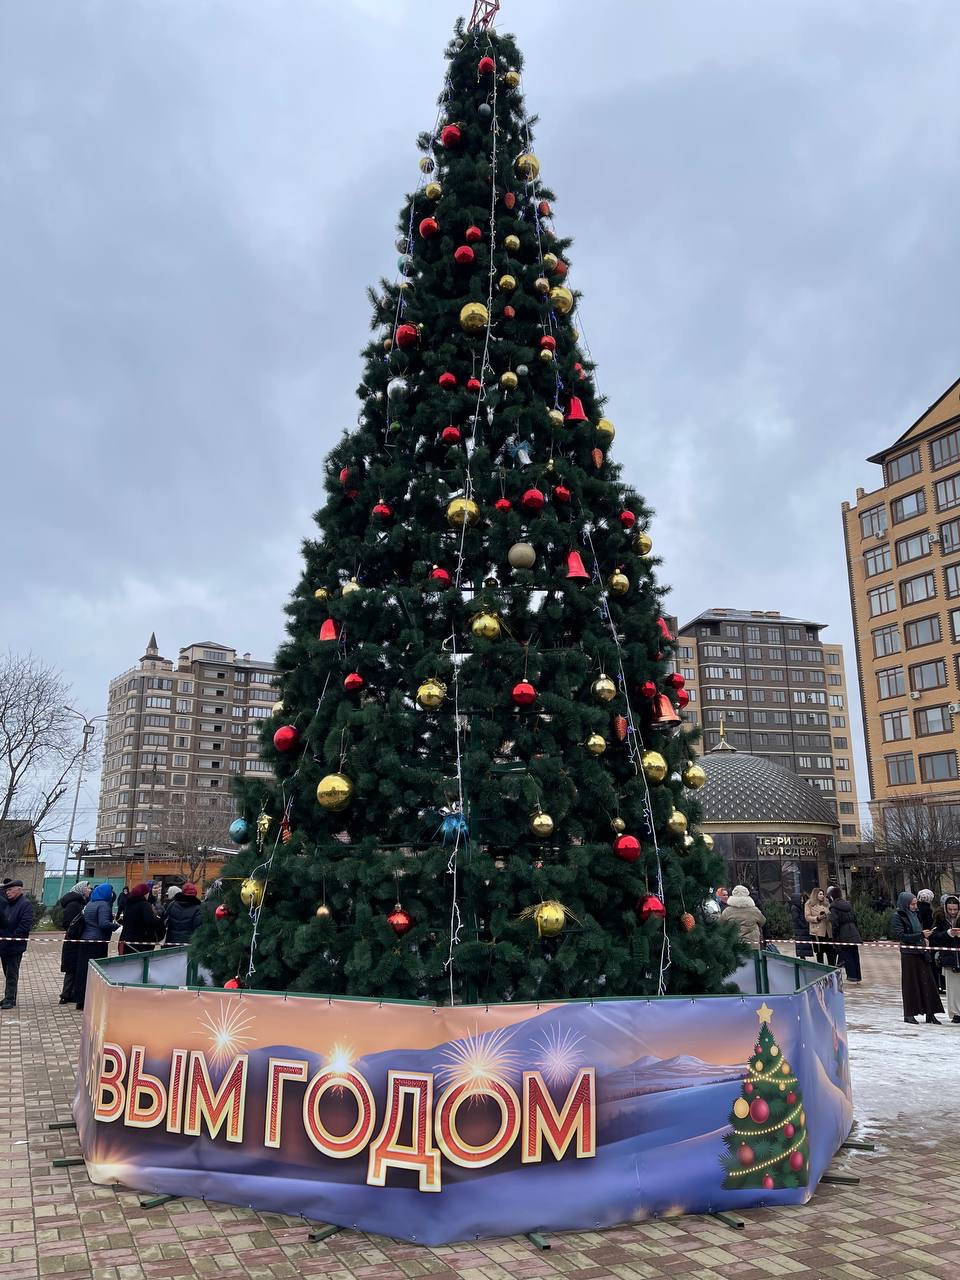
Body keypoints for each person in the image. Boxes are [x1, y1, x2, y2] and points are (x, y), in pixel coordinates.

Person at [889, 891, 943, 1025]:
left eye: (915, 903)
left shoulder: (915, 914)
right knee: (911, 984)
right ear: (905, 904)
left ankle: (930, 1013)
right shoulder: (898, 916)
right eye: (912, 904)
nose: (915, 906)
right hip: (909, 954)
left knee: (928, 983)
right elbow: (901, 936)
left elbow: (918, 931)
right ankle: (909, 1014)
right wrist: (920, 935)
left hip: (921, 951)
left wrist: (924, 936)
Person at [74, 883, 119, 1011]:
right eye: (111, 891)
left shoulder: (90, 904)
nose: (112, 894)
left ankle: (80, 1000)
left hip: (85, 940)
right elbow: (103, 924)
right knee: (96, 972)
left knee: (83, 970)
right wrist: (117, 927)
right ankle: (93, 999)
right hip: (97, 941)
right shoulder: (104, 905)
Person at [0, 880, 35, 1010]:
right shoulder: (7, 904)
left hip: (15, 945)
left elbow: (24, 926)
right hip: (4, 944)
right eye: (6, 890)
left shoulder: (25, 905)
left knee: (12, 973)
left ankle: (10, 999)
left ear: (19, 889)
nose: (7, 892)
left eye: (10, 890)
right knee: (6, 972)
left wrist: (11, 938)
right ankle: (8, 996)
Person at [57, 881, 91, 1004]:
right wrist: (78, 930)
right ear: (81, 889)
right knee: (71, 967)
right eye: (88, 888)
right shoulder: (73, 905)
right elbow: (68, 924)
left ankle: (71, 993)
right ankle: (66, 994)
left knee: (75, 966)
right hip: (73, 940)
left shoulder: (80, 903)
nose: (90, 890)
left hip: (77, 940)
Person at [929, 895, 960, 1024]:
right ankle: (956, 1013)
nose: (953, 912)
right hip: (949, 958)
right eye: (950, 909)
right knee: (953, 988)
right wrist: (948, 934)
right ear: (945, 908)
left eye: (955, 909)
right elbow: (934, 938)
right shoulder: (939, 919)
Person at [828, 886, 862, 982]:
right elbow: (855, 918)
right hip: (854, 932)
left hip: (843, 934)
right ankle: (858, 976)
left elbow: (835, 923)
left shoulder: (834, 907)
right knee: (855, 954)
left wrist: (835, 935)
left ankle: (851, 976)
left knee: (847, 956)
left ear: (832, 896)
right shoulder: (848, 905)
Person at [118, 883, 163, 955]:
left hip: (125, 939)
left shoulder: (128, 904)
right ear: (144, 894)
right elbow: (150, 920)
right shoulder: (144, 905)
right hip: (139, 941)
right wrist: (159, 920)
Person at [804, 887, 833, 966]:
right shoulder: (809, 904)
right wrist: (817, 918)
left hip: (828, 930)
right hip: (817, 932)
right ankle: (821, 967)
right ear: (815, 895)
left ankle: (832, 968)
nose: (822, 896)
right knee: (820, 952)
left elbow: (831, 913)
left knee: (830, 951)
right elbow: (807, 917)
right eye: (820, 894)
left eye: (823, 894)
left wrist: (829, 916)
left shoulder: (826, 903)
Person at [789, 891, 813, 960]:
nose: (802, 900)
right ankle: (802, 957)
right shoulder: (794, 908)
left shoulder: (799, 907)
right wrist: (804, 925)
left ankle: (803, 957)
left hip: (802, 929)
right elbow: (796, 919)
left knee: (803, 945)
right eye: (800, 899)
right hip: (800, 930)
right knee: (801, 945)